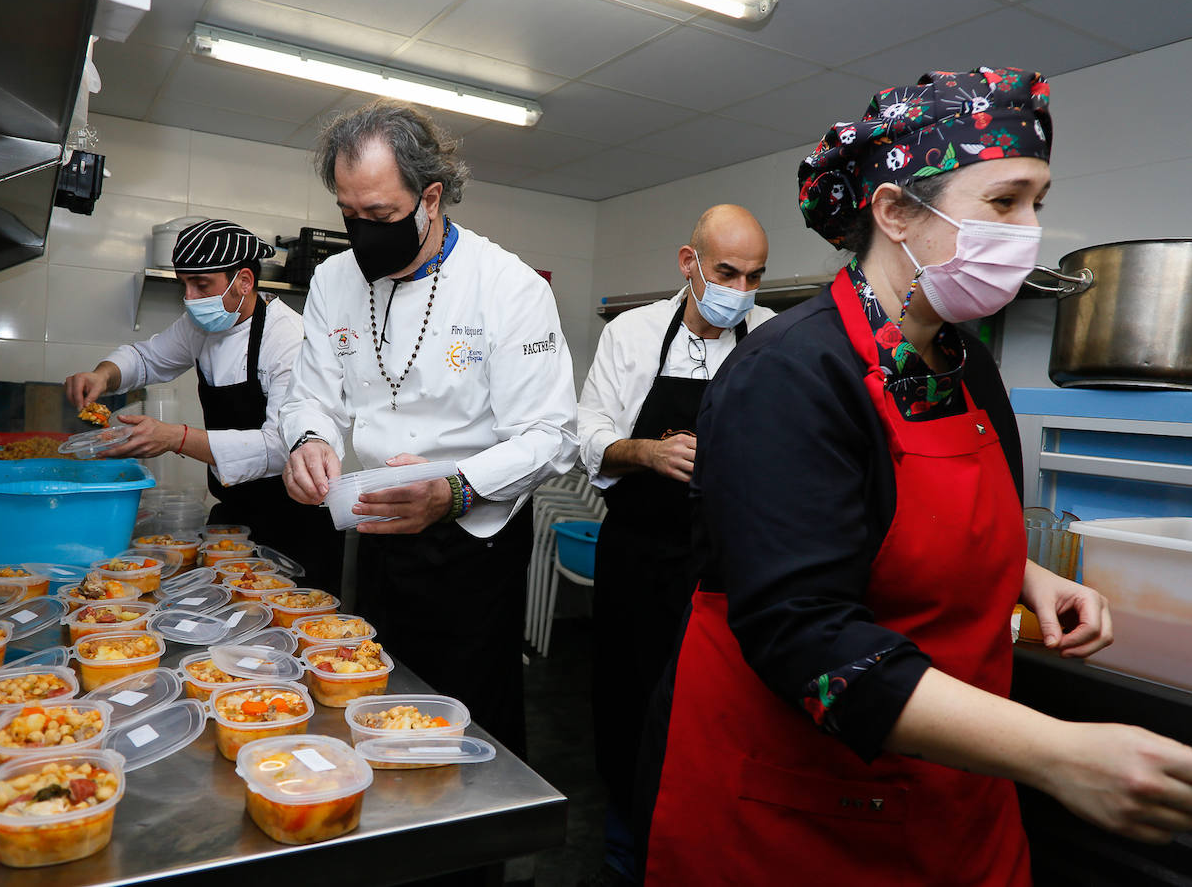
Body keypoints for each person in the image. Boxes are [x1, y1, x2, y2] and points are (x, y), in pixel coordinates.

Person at [636, 68, 1192, 886]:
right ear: (895, 211)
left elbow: (902, 521)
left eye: (1037, 201)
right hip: (802, 813)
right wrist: (1060, 751)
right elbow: (806, 640)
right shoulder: (788, 375)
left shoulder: (966, 362)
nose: (1030, 230)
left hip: (956, 793)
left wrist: (1023, 572)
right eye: (1004, 202)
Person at [280, 99, 578, 758]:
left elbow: (551, 436)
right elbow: (310, 394)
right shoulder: (334, 280)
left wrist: (455, 490)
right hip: (377, 531)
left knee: (467, 724)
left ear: (431, 197)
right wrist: (308, 441)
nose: (364, 235)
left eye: (381, 216)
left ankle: (472, 853)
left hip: (472, 545)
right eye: (349, 216)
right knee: (381, 702)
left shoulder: (509, 287)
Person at [576, 204, 773, 883]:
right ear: (689, 264)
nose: (741, 290)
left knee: (715, 709)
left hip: (728, 559)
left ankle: (703, 851)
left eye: (754, 277)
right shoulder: (632, 334)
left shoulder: (772, 339)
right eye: (727, 272)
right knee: (632, 700)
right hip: (638, 550)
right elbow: (589, 429)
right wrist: (645, 452)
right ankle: (625, 848)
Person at [63, 219, 344, 588]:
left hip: (297, 524)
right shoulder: (201, 327)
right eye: (185, 285)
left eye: (201, 285)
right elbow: (147, 359)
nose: (190, 299)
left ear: (244, 281)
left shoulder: (287, 337)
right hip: (236, 517)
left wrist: (175, 438)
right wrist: (103, 375)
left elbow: (280, 447)